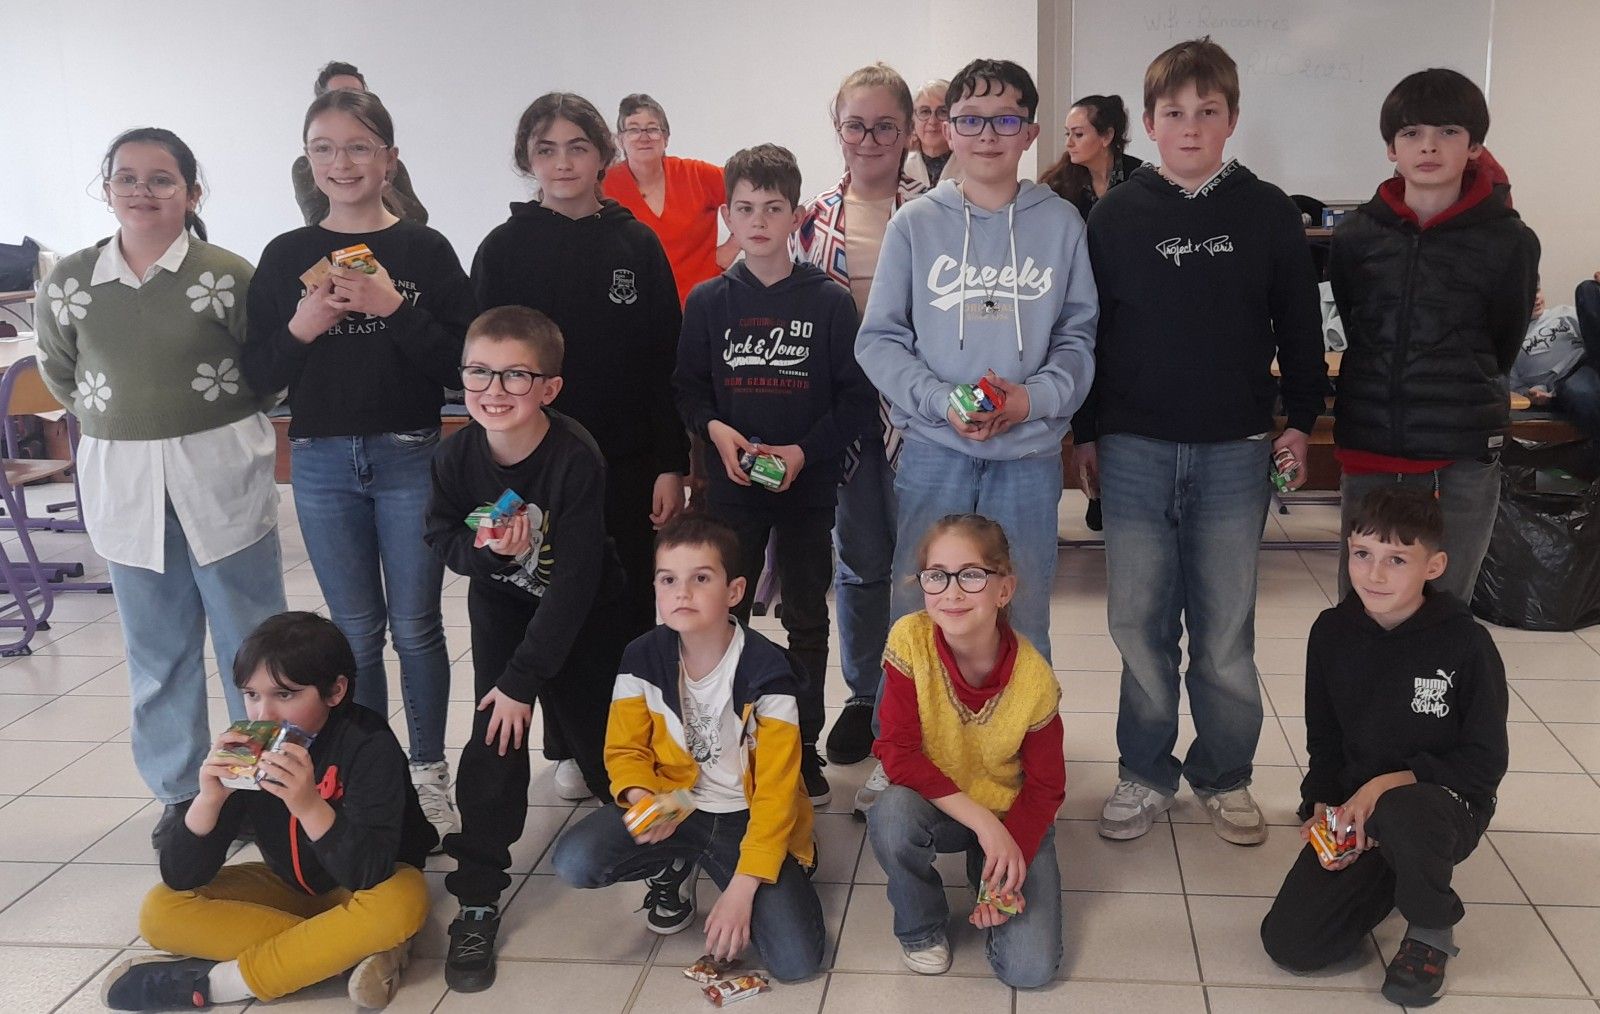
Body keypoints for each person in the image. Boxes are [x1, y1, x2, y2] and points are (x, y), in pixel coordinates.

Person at [1073, 37, 1327, 846]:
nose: (1190, 127)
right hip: (1135, 449)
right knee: (1139, 623)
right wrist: (1087, 433)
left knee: (1223, 631)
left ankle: (1224, 773)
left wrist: (1301, 421)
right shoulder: (1116, 215)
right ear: (1148, 125)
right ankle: (1145, 771)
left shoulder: (1267, 211)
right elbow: (1091, 331)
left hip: (1234, 450)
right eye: (1174, 113)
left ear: (1231, 119)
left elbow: (1300, 326)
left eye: (1207, 112)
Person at [35, 128, 288, 851]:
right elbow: (62, 373)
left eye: (161, 179)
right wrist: (127, 417)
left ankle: (256, 789)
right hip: (125, 483)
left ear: (192, 193)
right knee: (158, 654)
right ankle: (184, 796)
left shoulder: (229, 274)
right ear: (107, 188)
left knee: (253, 650)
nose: (142, 191)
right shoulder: (72, 281)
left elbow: (267, 372)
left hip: (220, 477)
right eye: (127, 178)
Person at [245, 89, 475, 847]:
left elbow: (461, 364)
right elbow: (258, 375)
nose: (340, 163)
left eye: (357, 147)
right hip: (319, 462)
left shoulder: (425, 250)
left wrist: (392, 306)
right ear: (308, 161)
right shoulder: (286, 255)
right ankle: (373, 777)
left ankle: (428, 773)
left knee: (417, 627)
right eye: (324, 148)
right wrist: (302, 326)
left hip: (411, 454)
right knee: (354, 633)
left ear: (389, 159)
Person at [854, 54, 1096, 712]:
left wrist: (1030, 399)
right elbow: (878, 340)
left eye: (1005, 119)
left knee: (1023, 605)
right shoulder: (915, 225)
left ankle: (1019, 739)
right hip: (934, 451)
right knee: (921, 603)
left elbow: (1078, 338)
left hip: (1028, 455)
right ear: (945, 129)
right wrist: (940, 401)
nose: (988, 134)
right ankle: (910, 742)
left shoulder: (1061, 225)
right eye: (971, 119)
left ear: (1030, 132)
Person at [423, 305, 629, 992]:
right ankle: (478, 896)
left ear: (549, 388)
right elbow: (443, 538)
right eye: (479, 372)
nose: (494, 389)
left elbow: (573, 585)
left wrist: (523, 680)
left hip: (586, 614)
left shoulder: (574, 457)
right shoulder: (455, 456)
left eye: (515, 375)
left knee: (609, 743)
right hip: (503, 608)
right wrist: (486, 555)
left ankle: (665, 853)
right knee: (495, 740)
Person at [674, 143, 877, 806]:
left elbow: (855, 400)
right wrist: (715, 429)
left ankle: (803, 747)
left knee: (807, 618)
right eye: (745, 209)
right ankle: (728, 742)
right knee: (724, 615)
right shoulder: (709, 301)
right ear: (727, 216)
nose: (758, 221)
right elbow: (688, 390)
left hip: (807, 491)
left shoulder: (829, 302)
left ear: (796, 216)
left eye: (772, 208)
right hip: (732, 491)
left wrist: (801, 453)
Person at [101, 612, 434, 1012]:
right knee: (160, 910)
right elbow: (181, 876)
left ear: (335, 691)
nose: (264, 714)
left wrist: (309, 806)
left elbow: (370, 872)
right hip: (288, 888)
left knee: (403, 901)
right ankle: (344, 952)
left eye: (285, 695)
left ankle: (219, 983)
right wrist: (208, 801)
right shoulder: (248, 745)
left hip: (369, 889)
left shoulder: (368, 742)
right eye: (251, 694)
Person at [1259, 487, 1508, 1008]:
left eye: (1397, 559)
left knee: (1404, 812)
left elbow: (1484, 764)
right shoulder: (1331, 632)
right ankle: (1395, 871)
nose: (1374, 574)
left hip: (1445, 802)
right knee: (1293, 943)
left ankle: (1431, 927)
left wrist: (1386, 784)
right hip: (1363, 809)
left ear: (1433, 566)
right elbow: (1325, 738)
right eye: (1362, 554)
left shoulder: (1466, 643)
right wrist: (1325, 806)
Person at [551, 514, 826, 982]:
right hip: (675, 802)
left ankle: (746, 863)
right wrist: (642, 799)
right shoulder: (640, 656)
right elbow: (625, 750)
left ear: (734, 591)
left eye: (700, 578)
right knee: (576, 859)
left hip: (748, 814)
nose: (682, 593)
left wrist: (742, 888)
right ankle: (674, 861)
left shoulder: (769, 673)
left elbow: (776, 793)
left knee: (796, 963)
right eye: (668, 580)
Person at [471, 91, 687, 679]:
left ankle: (627, 721)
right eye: (546, 150)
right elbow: (482, 370)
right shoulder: (502, 249)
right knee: (541, 615)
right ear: (527, 158)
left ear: (603, 156)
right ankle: (555, 727)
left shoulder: (636, 244)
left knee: (624, 611)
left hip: (626, 465)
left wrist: (671, 464)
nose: (563, 163)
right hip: (532, 470)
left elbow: (664, 360)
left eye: (577, 148)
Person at [1330, 68, 1541, 604]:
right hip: (1373, 439)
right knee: (1366, 603)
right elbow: (1358, 324)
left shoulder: (1509, 241)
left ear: (1474, 146)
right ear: (1391, 149)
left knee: (1445, 605)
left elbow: (1504, 339)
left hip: (1462, 445)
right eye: (1411, 133)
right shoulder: (1355, 236)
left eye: (1448, 131)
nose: (1428, 146)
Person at [790, 62, 928, 774]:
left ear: (908, 132)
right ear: (837, 129)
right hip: (843, 419)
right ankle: (866, 692)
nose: (869, 140)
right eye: (855, 126)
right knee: (862, 561)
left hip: (922, 416)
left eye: (884, 126)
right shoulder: (809, 221)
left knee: (922, 563)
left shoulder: (941, 212)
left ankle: (919, 695)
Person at [867, 513, 1064, 986]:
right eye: (937, 576)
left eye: (972, 575)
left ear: (1004, 589)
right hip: (938, 804)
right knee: (890, 814)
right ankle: (921, 927)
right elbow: (897, 752)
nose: (951, 593)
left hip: (1010, 810)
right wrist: (982, 825)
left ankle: (986, 872)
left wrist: (1005, 855)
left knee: (1029, 971)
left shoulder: (1035, 679)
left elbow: (1046, 787)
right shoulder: (910, 639)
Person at [602, 93, 738, 306]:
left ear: (666, 138)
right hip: (633, 310)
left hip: (702, 306)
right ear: (620, 140)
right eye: (633, 129)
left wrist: (733, 245)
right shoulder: (603, 185)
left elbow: (755, 193)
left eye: (652, 129)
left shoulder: (696, 175)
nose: (644, 137)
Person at [290, 61, 428, 227]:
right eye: (323, 149)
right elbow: (317, 221)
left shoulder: (388, 161)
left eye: (356, 96)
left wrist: (385, 189)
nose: (342, 164)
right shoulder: (305, 167)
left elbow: (418, 218)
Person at [1037, 94, 1145, 223]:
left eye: (1078, 134)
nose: (1068, 143)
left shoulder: (1139, 179)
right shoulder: (1059, 182)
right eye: (1067, 133)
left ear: (1107, 136)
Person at [903, 79, 964, 189]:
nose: (932, 121)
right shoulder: (901, 166)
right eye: (925, 111)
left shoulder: (971, 166)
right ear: (913, 120)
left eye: (943, 111)